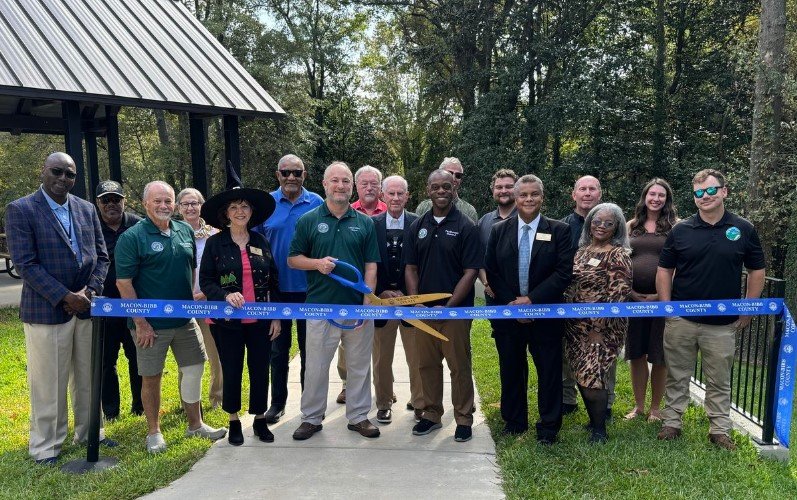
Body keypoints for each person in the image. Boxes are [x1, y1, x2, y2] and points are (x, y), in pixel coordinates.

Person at [5, 152, 113, 465]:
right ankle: (47, 446)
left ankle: (90, 432)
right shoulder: (21, 209)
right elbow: (26, 264)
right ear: (43, 170)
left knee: (87, 377)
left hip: (87, 307)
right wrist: (66, 296)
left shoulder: (85, 208)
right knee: (49, 382)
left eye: (69, 174)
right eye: (56, 171)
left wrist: (89, 292)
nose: (62, 179)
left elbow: (102, 257)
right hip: (47, 311)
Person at [656, 169, 765, 450]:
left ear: (725, 191)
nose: (705, 197)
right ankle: (671, 422)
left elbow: (757, 270)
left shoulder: (743, 228)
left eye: (711, 190)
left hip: (722, 323)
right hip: (682, 319)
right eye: (699, 193)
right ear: (694, 198)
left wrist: (749, 308)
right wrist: (668, 307)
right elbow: (664, 269)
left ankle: (719, 429)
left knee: (719, 378)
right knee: (677, 373)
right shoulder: (680, 230)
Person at [116, 181, 226, 453]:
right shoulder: (132, 237)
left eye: (168, 201)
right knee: (151, 376)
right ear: (145, 204)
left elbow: (190, 272)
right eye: (157, 201)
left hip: (185, 320)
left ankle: (195, 425)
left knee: (194, 369)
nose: (164, 206)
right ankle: (154, 432)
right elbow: (124, 284)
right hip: (150, 325)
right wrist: (140, 323)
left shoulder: (184, 230)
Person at [288, 161, 382, 440]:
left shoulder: (364, 222)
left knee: (359, 366)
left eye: (345, 182)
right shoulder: (308, 220)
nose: (340, 186)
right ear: (324, 184)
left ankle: (359, 417)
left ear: (351, 187)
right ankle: (312, 418)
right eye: (335, 181)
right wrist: (317, 264)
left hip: (356, 308)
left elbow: (371, 266)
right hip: (320, 306)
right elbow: (293, 260)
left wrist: (368, 300)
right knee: (316, 366)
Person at [484, 175, 574, 443]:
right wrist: (514, 303)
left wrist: (531, 300)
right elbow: (492, 269)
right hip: (509, 314)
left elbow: (563, 273)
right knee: (511, 368)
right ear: (515, 196)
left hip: (545, 315)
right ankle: (514, 422)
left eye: (534, 194)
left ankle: (548, 426)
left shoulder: (559, 230)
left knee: (548, 371)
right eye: (523, 195)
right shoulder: (499, 230)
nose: (528, 199)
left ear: (542, 197)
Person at [199, 179, 280, 446]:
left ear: (251, 212)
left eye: (244, 206)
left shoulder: (260, 241)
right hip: (226, 321)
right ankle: (233, 420)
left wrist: (276, 316)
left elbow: (273, 281)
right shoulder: (215, 243)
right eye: (234, 207)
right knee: (231, 369)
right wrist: (225, 295)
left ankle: (259, 419)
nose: (240, 211)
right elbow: (206, 281)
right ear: (226, 214)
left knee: (260, 369)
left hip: (259, 321)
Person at [405, 169, 482, 442]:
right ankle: (431, 414)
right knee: (426, 365)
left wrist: (449, 307)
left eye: (446, 187)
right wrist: (416, 303)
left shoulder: (466, 227)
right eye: (436, 187)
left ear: (454, 189)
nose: (441, 191)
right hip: (423, 313)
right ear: (428, 190)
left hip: (455, 312)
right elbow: (411, 268)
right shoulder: (417, 226)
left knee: (459, 366)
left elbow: (470, 272)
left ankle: (463, 418)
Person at [256, 154, 323, 423]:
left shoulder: (317, 202)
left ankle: (310, 406)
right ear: (278, 174)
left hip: (310, 288)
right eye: (286, 172)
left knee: (311, 351)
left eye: (297, 172)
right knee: (277, 351)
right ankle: (278, 403)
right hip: (277, 289)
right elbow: (256, 245)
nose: (291, 177)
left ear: (304, 175)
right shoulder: (267, 204)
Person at [564, 202, 632, 443]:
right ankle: (594, 420)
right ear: (589, 223)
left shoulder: (618, 254)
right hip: (574, 326)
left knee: (593, 373)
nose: (601, 226)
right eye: (597, 221)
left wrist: (598, 328)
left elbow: (619, 294)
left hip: (602, 328)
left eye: (608, 223)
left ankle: (599, 430)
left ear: (617, 228)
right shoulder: (582, 251)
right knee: (581, 373)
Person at [560, 175, 617, 417]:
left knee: (603, 356)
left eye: (592, 189)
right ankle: (567, 399)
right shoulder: (562, 226)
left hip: (603, 307)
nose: (587, 193)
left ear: (599, 193)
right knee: (567, 353)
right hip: (569, 304)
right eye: (582, 189)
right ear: (574, 195)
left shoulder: (612, 223)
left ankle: (606, 405)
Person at [624, 179, 678, 422]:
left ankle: (656, 408)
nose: (656, 199)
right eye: (652, 194)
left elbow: (680, 264)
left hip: (662, 301)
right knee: (636, 354)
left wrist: (661, 295)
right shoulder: (630, 226)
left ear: (667, 199)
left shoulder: (676, 227)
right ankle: (639, 406)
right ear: (644, 197)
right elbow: (621, 262)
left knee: (659, 355)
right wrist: (630, 291)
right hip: (633, 301)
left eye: (661, 195)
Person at [336, 164, 388, 404]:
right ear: (356, 186)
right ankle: (347, 385)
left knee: (380, 344)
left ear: (380, 187)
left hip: (381, 286)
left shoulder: (389, 212)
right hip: (347, 288)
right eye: (364, 183)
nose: (369, 187)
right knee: (347, 342)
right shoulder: (344, 210)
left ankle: (383, 386)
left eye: (374, 183)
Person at [370, 175, 420, 424]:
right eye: (391, 193)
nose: (396, 198)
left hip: (410, 301)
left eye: (401, 193)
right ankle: (383, 402)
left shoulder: (419, 224)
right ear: (382, 195)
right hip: (381, 301)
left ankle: (420, 402)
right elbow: (367, 263)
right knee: (381, 357)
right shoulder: (371, 224)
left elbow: (422, 263)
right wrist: (380, 292)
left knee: (417, 355)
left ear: (408, 196)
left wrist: (410, 294)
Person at [96, 180, 144, 420]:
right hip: (104, 307)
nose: (111, 204)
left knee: (138, 358)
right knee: (106, 362)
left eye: (116, 199)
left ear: (125, 201)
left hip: (134, 305)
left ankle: (140, 407)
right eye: (106, 200)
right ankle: (111, 412)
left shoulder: (139, 225)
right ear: (98, 203)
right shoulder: (91, 226)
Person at [176, 188, 223, 409]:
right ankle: (187, 402)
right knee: (185, 357)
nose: (190, 208)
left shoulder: (215, 234)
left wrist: (206, 292)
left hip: (209, 301)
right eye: (185, 204)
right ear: (178, 208)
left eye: (194, 203)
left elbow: (222, 268)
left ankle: (218, 398)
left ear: (202, 205)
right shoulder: (172, 233)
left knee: (216, 353)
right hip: (183, 303)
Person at [478, 169, 518, 304]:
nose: (503, 190)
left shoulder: (526, 219)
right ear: (493, 191)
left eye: (509, 187)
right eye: (499, 187)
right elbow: (478, 257)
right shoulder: (484, 221)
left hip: (522, 296)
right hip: (493, 294)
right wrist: (486, 283)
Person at [415, 157, 478, 223]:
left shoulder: (469, 211)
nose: (453, 178)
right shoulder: (423, 207)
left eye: (458, 175)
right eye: (449, 173)